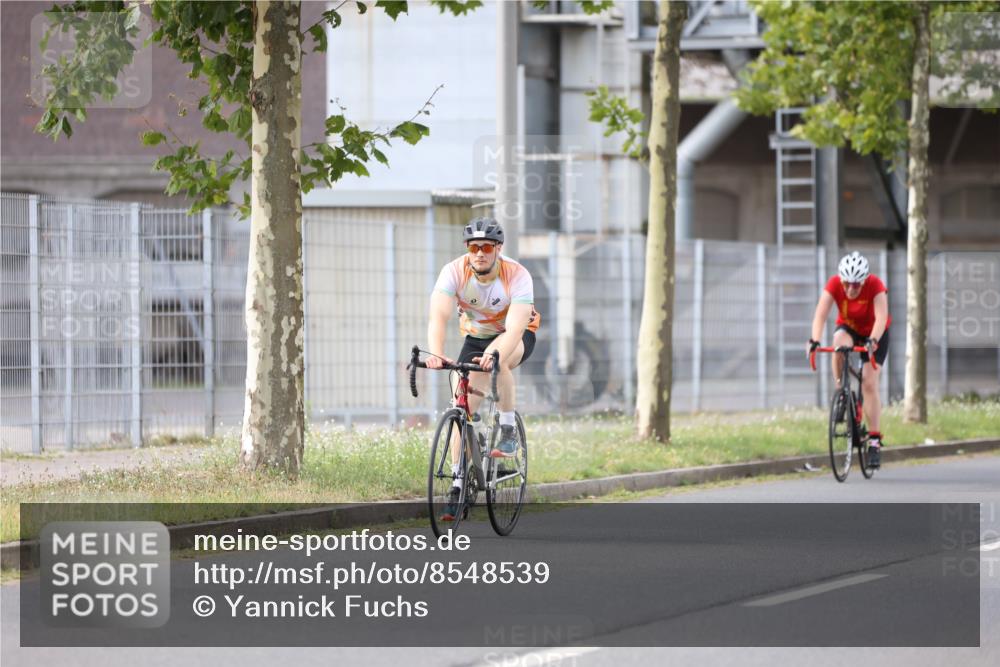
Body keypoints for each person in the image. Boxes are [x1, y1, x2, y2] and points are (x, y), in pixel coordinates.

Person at [426, 217, 540, 519]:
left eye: (486, 247)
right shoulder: (453, 272)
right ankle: (458, 482)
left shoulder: (517, 274)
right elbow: (438, 316)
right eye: (474, 247)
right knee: (459, 407)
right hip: (475, 338)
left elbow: (515, 328)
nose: (480, 253)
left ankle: (506, 428)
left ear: (498, 249)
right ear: (467, 249)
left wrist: (495, 351)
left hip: (516, 335)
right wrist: (437, 354)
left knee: (498, 361)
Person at [808, 251, 891, 468]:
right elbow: (820, 315)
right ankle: (842, 392)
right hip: (849, 328)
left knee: (869, 383)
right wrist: (814, 341)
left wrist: (872, 341)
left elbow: (881, 317)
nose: (850, 289)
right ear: (841, 280)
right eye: (847, 284)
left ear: (864, 281)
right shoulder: (834, 284)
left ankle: (874, 440)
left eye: (856, 285)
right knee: (838, 343)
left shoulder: (875, 285)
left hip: (875, 332)